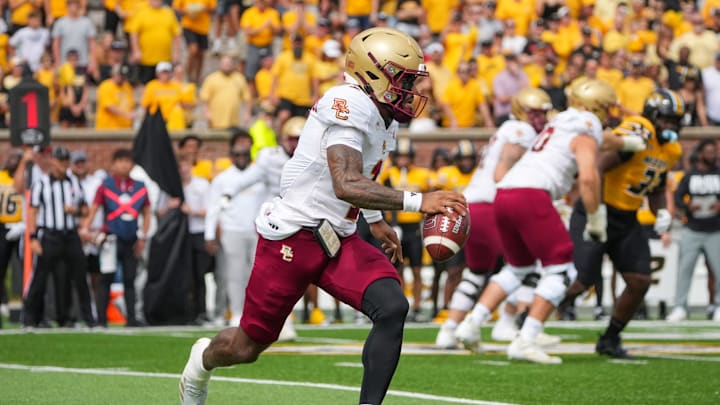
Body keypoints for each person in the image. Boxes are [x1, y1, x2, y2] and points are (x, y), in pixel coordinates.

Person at [179, 27, 466, 405]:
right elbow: (345, 182)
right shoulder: (346, 102)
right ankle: (200, 362)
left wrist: (376, 220)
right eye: (404, 78)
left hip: (340, 239)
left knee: (393, 306)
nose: (410, 88)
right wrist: (417, 201)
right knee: (247, 347)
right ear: (374, 73)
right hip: (293, 237)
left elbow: (361, 176)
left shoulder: (385, 117)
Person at [454, 79, 618, 364]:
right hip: (531, 193)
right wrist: (595, 217)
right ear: (597, 108)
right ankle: (527, 338)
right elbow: (589, 176)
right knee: (561, 269)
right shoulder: (585, 126)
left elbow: (607, 140)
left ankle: (471, 323)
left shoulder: (562, 122)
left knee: (519, 267)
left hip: (504, 193)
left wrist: (629, 141)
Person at [561, 89, 686, 358]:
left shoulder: (671, 149)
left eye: (676, 122)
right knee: (580, 281)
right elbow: (598, 166)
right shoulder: (640, 130)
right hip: (597, 210)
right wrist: (597, 211)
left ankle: (610, 338)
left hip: (627, 218)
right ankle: (527, 318)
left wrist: (661, 211)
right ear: (653, 116)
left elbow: (656, 185)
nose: (671, 127)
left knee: (640, 280)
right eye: (666, 120)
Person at [435, 87, 552, 348]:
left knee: (476, 273)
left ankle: (448, 329)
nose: (541, 118)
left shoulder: (510, 129)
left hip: (472, 205)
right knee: (528, 265)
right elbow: (501, 173)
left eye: (544, 113)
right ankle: (509, 322)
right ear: (524, 112)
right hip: (490, 205)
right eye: (536, 113)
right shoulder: (521, 131)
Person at [24, 146, 95, 328]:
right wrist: (32, 237)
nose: (62, 164)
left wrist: (76, 211)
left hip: (70, 235)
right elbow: (32, 211)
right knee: (40, 278)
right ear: (53, 161)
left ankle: (86, 319)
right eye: (59, 160)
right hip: (49, 234)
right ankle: (29, 319)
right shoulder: (41, 184)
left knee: (78, 277)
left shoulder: (74, 183)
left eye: (65, 161)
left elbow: (86, 211)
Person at [82, 149, 150, 327]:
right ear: (113, 164)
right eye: (120, 161)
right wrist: (85, 228)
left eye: (127, 161)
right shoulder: (106, 185)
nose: (124, 165)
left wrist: (142, 236)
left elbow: (147, 212)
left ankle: (132, 318)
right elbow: (95, 207)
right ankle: (101, 319)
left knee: (130, 279)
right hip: (110, 239)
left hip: (131, 238)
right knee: (106, 278)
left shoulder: (140, 186)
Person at [666, 140, 720, 322]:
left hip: (715, 229)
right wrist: (687, 207)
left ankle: (718, 306)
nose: (712, 154)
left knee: (718, 270)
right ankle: (680, 306)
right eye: (709, 151)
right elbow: (678, 196)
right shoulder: (690, 175)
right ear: (701, 153)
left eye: (714, 151)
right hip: (693, 229)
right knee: (685, 269)